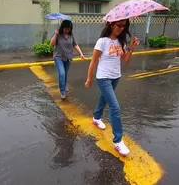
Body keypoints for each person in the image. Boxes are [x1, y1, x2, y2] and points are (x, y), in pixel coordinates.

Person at [84, 19, 139, 156]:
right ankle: (118, 141)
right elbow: (93, 62)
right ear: (111, 24)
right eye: (119, 25)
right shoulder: (102, 41)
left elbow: (125, 61)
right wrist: (89, 79)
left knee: (104, 99)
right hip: (103, 77)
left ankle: (96, 117)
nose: (121, 28)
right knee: (114, 106)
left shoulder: (121, 42)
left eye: (124, 26)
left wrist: (131, 48)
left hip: (116, 77)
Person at [50, 20, 85, 100]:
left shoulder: (71, 34)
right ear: (62, 27)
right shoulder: (58, 34)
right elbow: (51, 44)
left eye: (68, 29)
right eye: (65, 29)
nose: (67, 30)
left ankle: (64, 86)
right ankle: (62, 92)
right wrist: (55, 35)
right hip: (59, 57)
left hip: (68, 57)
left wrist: (81, 53)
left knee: (65, 74)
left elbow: (75, 44)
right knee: (62, 74)